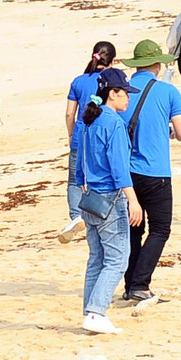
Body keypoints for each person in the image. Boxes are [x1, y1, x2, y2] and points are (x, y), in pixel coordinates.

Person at [117, 42, 181, 301]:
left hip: (127, 172)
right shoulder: (168, 91)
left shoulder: (122, 93)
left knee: (134, 230)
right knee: (160, 229)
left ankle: (130, 285)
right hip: (156, 170)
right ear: (157, 65)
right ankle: (140, 283)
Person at [74, 72, 143, 334]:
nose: (128, 98)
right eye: (125, 93)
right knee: (117, 260)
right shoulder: (113, 123)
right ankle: (96, 312)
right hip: (110, 200)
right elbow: (119, 167)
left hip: (90, 199)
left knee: (97, 259)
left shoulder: (90, 120)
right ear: (112, 93)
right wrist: (133, 200)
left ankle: (90, 312)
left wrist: (82, 183)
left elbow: (79, 161)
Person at [60, 42, 120, 241]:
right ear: (112, 61)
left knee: (75, 180)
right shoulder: (112, 80)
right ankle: (101, 213)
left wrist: (70, 134)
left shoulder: (78, 81)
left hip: (81, 135)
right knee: (103, 175)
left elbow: (70, 113)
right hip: (104, 135)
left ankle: (76, 216)